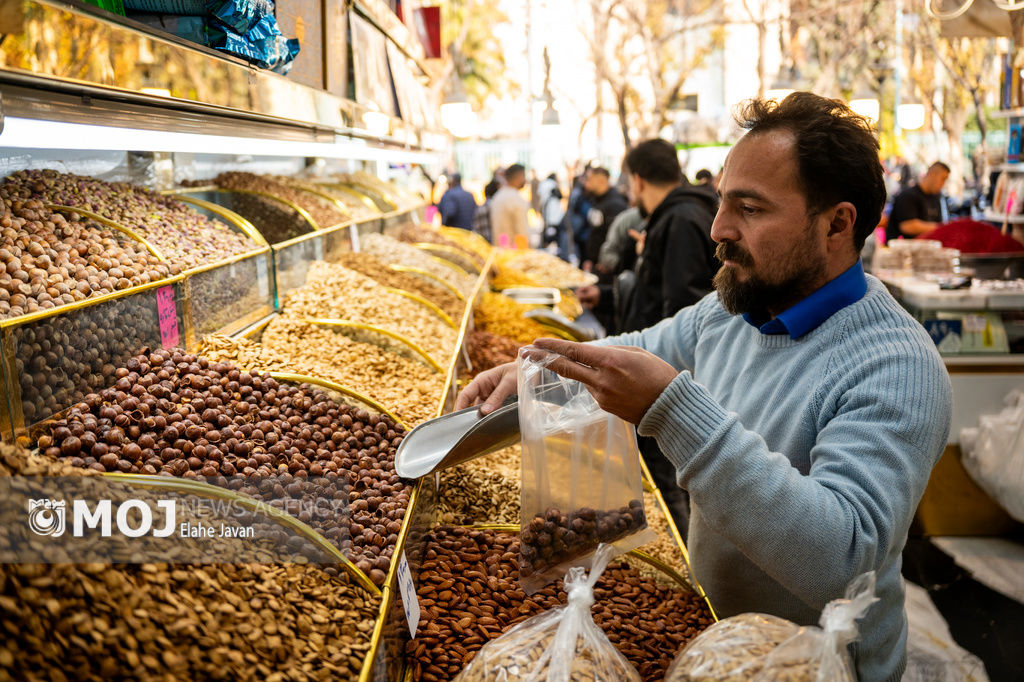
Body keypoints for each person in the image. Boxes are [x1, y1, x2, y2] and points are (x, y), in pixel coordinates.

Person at [456, 92, 952, 682]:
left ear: (837, 224)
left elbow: (844, 560)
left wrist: (673, 411)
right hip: (714, 648)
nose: (719, 228)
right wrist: (543, 367)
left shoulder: (897, 367)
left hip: (822, 668)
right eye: (722, 202)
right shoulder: (731, 310)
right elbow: (638, 349)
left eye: (751, 208)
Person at [577, 139, 719, 335]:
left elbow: (682, 315)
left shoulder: (680, 222)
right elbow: (653, 295)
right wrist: (604, 296)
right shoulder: (672, 216)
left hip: (661, 360)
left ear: (639, 181)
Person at [581, 167, 629, 274]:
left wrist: (607, 261)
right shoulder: (597, 200)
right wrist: (590, 259)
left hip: (606, 269)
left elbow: (617, 239)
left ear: (601, 181)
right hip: (595, 264)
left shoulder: (615, 204)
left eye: (589, 180)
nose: (586, 184)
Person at [885, 161, 950, 241]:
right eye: (943, 179)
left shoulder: (936, 197)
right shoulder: (908, 195)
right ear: (932, 174)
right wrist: (943, 227)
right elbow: (907, 226)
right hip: (902, 249)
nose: (944, 184)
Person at [489, 163, 530, 247]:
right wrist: (524, 253)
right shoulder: (515, 199)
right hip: (514, 251)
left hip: (500, 248)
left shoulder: (498, 196)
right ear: (519, 176)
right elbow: (521, 230)